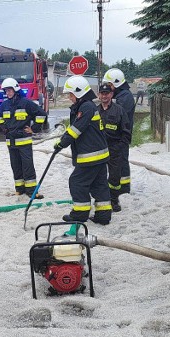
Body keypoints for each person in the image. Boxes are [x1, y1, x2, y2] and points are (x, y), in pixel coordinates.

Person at [54, 75, 112, 225]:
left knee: (77, 182)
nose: (69, 97)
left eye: (71, 94)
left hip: (90, 156)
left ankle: (80, 214)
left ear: (78, 92)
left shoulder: (85, 107)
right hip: (100, 154)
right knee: (99, 185)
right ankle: (103, 215)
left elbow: (75, 130)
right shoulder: (87, 106)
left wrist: (61, 144)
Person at [0, 78, 47, 198]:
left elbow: (41, 114)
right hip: (11, 142)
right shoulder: (4, 105)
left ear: (15, 90)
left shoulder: (26, 103)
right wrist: (4, 128)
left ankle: (31, 192)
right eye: (6, 90)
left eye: (10, 90)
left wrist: (33, 129)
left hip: (24, 141)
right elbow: (0, 119)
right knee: (16, 166)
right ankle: (19, 189)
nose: (8, 93)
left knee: (27, 166)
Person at [97, 83, 131, 213]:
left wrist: (121, 147)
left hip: (114, 149)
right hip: (99, 149)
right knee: (98, 176)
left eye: (107, 93)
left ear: (111, 94)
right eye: (102, 93)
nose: (104, 96)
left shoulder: (119, 110)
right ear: (99, 95)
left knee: (114, 178)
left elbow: (126, 131)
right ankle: (101, 199)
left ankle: (114, 200)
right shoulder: (95, 111)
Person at [103, 68, 135, 195]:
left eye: (109, 85)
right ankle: (122, 187)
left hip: (121, 136)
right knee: (118, 162)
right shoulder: (120, 95)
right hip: (116, 136)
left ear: (116, 84)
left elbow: (118, 115)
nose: (108, 88)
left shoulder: (125, 96)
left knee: (121, 162)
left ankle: (124, 188)